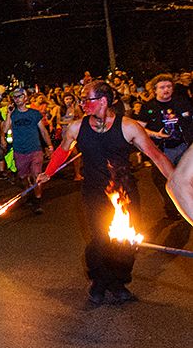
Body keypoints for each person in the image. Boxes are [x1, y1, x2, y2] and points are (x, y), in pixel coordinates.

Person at [40, 80, 174, 306]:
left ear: (103, 100)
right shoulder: (76, 127)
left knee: (126, 242)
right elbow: (63, 151)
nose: (83, 104)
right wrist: (48, 172)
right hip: (94, 193)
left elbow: (156, 156)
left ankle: (119, 282)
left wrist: (176, 180)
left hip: (126, 192)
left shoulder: (128, 126)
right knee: (100, 241)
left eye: (87, 99)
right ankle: (99, 282)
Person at [136, 73, 192, 220]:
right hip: (162, 150)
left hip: (184, 147)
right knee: (165, 182)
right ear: (155, 90)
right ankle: (172, 209)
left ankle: (187, 205)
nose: (165, 90)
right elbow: (139, 128)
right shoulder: (148, 107)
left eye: (168, 86)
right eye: (161, 87)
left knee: (186, 179)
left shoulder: (182, 102)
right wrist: (156, 134)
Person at [2, 88, 52, 214]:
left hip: (35, 149)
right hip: (20, 151)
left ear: (25, 98)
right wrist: (8, 114)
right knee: (24, 176)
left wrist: (50, 146)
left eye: (19, 96)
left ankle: (37, 201)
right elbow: (5, 129)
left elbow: (43, 131)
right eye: (15, 97)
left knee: (36, 175)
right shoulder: (13, 114)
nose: (17, 99)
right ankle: (30, 191)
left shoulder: (34, 113)